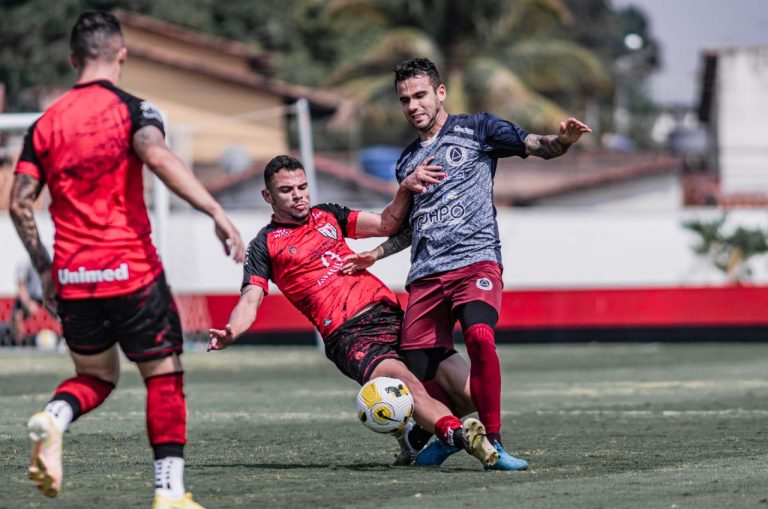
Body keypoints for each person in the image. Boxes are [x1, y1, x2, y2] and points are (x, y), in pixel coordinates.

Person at [9, 12, 245, 509]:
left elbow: (18, 203)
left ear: (74, 60)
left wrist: (47, 268)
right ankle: (169, 493)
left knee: (95, 376)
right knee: (164, 375)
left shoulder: (44, 124)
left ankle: (54, 416)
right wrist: (216, 210)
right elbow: (157, 157)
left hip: (74, 276)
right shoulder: (134, 110)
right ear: (121, 55)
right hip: (131, 270)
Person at [344, 57, 592, 470]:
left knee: (479, 335)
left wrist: (562, 141)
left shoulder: (478, 129)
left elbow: (537, 145)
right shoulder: (406, 162)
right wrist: (375, 253)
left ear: (440, 93)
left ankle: (492, 443)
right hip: (425, 277)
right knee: (416, 375)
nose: (413, 105)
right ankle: (444, 436)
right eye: (405, 99)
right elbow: (413, 227)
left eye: (420, 95)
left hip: (475, 264)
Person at [207, 154, 501, 469]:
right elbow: (250, 299)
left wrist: (404, 188)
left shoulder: (328, 215)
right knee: (406, 386)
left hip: (393, 317)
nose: (298, 195)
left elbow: (386, 223)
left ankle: (415, 440)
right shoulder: (264, 245)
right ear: (268, 196)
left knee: (470, 392)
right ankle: (460, 437)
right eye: (287, 190)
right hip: (351, 335)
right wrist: (231, 331)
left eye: (303, 187)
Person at [10, 259, 46, 346]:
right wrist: (28, 303)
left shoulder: (48, 261)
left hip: (44, 297)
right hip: (31, 298)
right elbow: (21, 287)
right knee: (16, 315)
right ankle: (19, 343)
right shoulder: (24, 263)